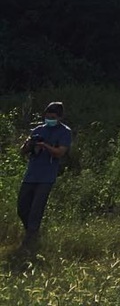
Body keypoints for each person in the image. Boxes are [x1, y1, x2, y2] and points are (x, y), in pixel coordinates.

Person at [16, 101, 73, 247]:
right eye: (47, 116)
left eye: (53, 117)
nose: (49, 120)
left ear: (59, 117)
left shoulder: (65, 132)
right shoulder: (38, 130)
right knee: (22, 207)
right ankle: (32, 231)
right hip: (31, 174)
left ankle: (31, 239)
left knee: (36, 208)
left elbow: (60, 152)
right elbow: (22, 151)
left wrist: (45, 146)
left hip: (46, 176)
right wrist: (28, 145)